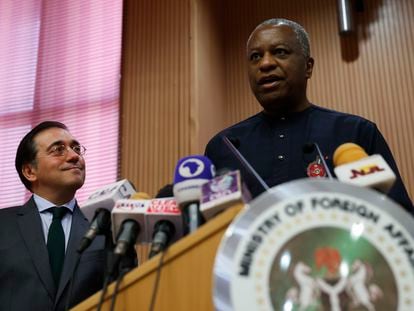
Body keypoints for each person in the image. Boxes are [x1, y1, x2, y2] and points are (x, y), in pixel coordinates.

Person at [204, 18, 413, 213]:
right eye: (255, 56)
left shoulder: (355, 133)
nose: (265, 63)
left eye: (280, 51)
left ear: (308, 67)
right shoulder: (223, 147)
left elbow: (399, 217)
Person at [0, 121, 105, 310]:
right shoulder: (3, 225)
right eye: (58, 150)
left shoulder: (104, 231)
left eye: (76, 148)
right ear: (30, 171)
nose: (74, 156)